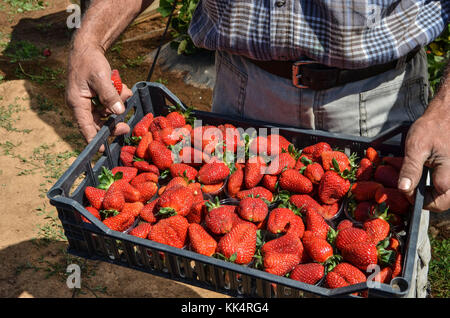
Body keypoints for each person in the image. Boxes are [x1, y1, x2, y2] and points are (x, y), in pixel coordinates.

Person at [66, 0, 450, 297]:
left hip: (377, 97)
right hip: (241, 88)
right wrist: (88, 38)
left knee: (377, 277)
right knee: (245, 285)